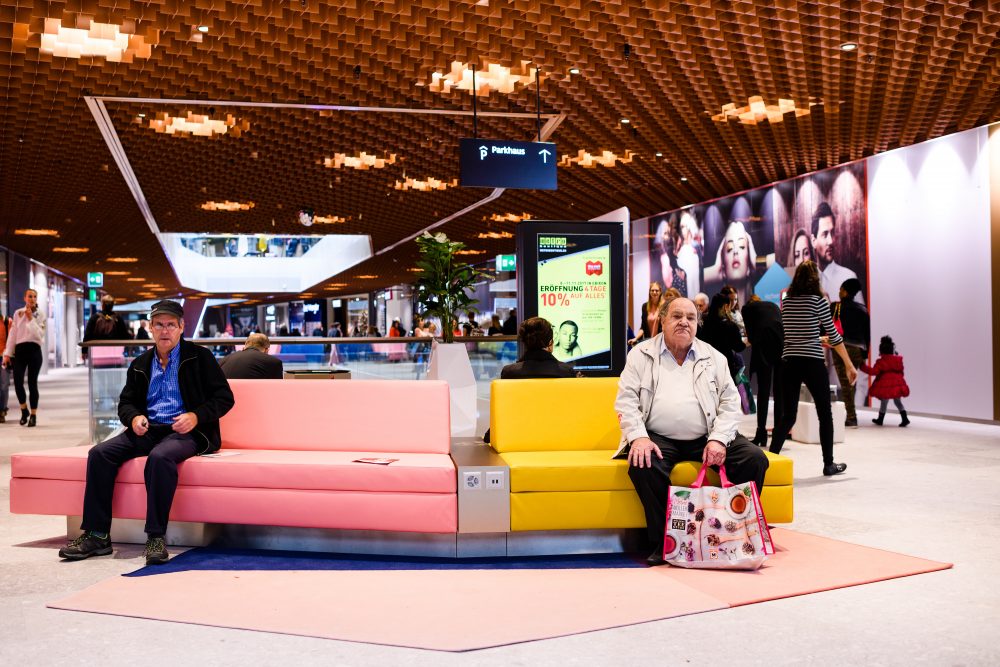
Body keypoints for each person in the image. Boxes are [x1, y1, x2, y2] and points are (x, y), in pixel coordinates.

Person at [58, 300, 235, 565]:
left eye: (171, 325)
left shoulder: (200, 358)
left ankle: (155, 537)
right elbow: (125, 403)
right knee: (99, 454)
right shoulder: (141, 363)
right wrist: (134, 418)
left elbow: (224, 398)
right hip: (148, 430)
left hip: (186, 432)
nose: (165, 330)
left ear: (181, 327)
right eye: (160, 324)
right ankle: (97, 535)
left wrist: (196, 416)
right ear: (150, 327)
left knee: (160, 457)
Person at [614, 296, 769, 566]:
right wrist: (638, 436)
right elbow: (626, 400)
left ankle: (736, 534)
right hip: (657, 435)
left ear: (698, 323)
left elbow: (730, 403)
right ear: (662, 320)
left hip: (708, 433)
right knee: (643, 463)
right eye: (676, 316)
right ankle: (664, 543)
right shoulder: (641, 354)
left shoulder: (714, 356)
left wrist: (719, 439)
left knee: (755, 460)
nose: (684, 322)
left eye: (691, 317)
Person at [768, 261, 857, 476]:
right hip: (812, 362)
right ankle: (828, 464)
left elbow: (794, 334)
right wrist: (849, 364)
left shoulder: (786, 302)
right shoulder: (818, 302)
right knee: (824, 413)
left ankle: (770, 462)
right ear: (815, 279)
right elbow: (835, 337)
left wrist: (814, 337)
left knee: (787, 416)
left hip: (789, 362)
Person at [484, 317, 579, 443]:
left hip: (518, 438)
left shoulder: (510, 372)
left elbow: (506, 411)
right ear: (550, 343)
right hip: (558, 438)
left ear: (525, 343)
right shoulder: (566, 372)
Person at [741, 294, 784, 447]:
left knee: (764, 393)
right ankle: (780, 433)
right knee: (779, 392)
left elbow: (750, 335)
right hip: (781, 346)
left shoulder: (746, 309)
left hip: (764, 349)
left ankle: (761, 434)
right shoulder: (773, 306)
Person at [3, 289, 45, 427]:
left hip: (34, 350)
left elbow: (39, 336)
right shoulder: (17, 313)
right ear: (25, 298)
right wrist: (7, 354)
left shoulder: (40, 314)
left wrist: (31, 319)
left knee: (33, 383)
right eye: (29, 296)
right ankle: (23, 410)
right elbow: (13, 335)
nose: (32, 299)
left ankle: (33, 414)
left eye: (34, 296)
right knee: (18, 382)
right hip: (20, 351)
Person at [831, 278, 870, 428]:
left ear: (845, 291)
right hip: (858, 350)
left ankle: (852, 416)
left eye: (841, 289)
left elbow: (828, 327)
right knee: (851, 382)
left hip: (840, 347)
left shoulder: (835, 307)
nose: (839, 292)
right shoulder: (862, 309)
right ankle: (851, 414)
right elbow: (867, 335)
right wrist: (865, 355)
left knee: (845, 382)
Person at [811, 202, 862, 304]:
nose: (831, 241)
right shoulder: (805, 284)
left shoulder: (849, 278)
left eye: (832, 233)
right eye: (825, 234)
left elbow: (861, 319)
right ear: (813, 241)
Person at [704, 221, 759, 307]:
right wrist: (714, 271)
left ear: (749, 261)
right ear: (723, 263)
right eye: (729, 248)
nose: (735, 251)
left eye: (741, 246)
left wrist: (757, 262)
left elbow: (783, 260)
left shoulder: (757, 307)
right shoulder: (718, 314)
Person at [696, 293, 746, 382]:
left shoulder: (704, 323)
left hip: (707, 365)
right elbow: (738, 347)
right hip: (726, 366)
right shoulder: (730, 326)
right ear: (725, 306)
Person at [862, 335, 910, 427]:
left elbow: (874, 372)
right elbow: (901, 371)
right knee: (897, 402)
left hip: (886, 385)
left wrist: (862, 366)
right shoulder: (898, 360)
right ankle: (905, 418)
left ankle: (880, 419)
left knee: (884, 402)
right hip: (897, 383)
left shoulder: (881, 361)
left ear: (881, 350)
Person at [82, 295, 132, 359]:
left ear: (102, 305)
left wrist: (84, 351)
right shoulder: (118, 318)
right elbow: (125, 336)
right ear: (112, 306)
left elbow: (87, 335)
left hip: (97, 351)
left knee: (97, 368)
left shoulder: (94, 318)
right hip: (115, 351)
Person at [219, 333, 284, 379]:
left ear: (244, 347)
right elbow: (276, 389)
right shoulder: (274, 363)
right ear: (266, 350)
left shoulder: (223, 360)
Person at [653, 219, 688, 296]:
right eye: (665, 233)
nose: (667, 237)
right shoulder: (658, 260)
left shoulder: (672, 259)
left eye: (668, 234)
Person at [629, 282, 663, 346]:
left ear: (660, 292)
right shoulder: (645, 306)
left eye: (656, 290)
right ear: (649, 292)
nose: (654, 292)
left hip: (660, 342)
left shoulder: (663, 306)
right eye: (652, 290)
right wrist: (635, 338)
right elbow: (643, 327)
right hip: (648, 342)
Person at [0, 312, 11, 423]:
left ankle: (2, 410)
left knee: (4, 385)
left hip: (4, 357)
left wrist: (8, 355)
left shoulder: (7, 322)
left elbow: (12, 340)